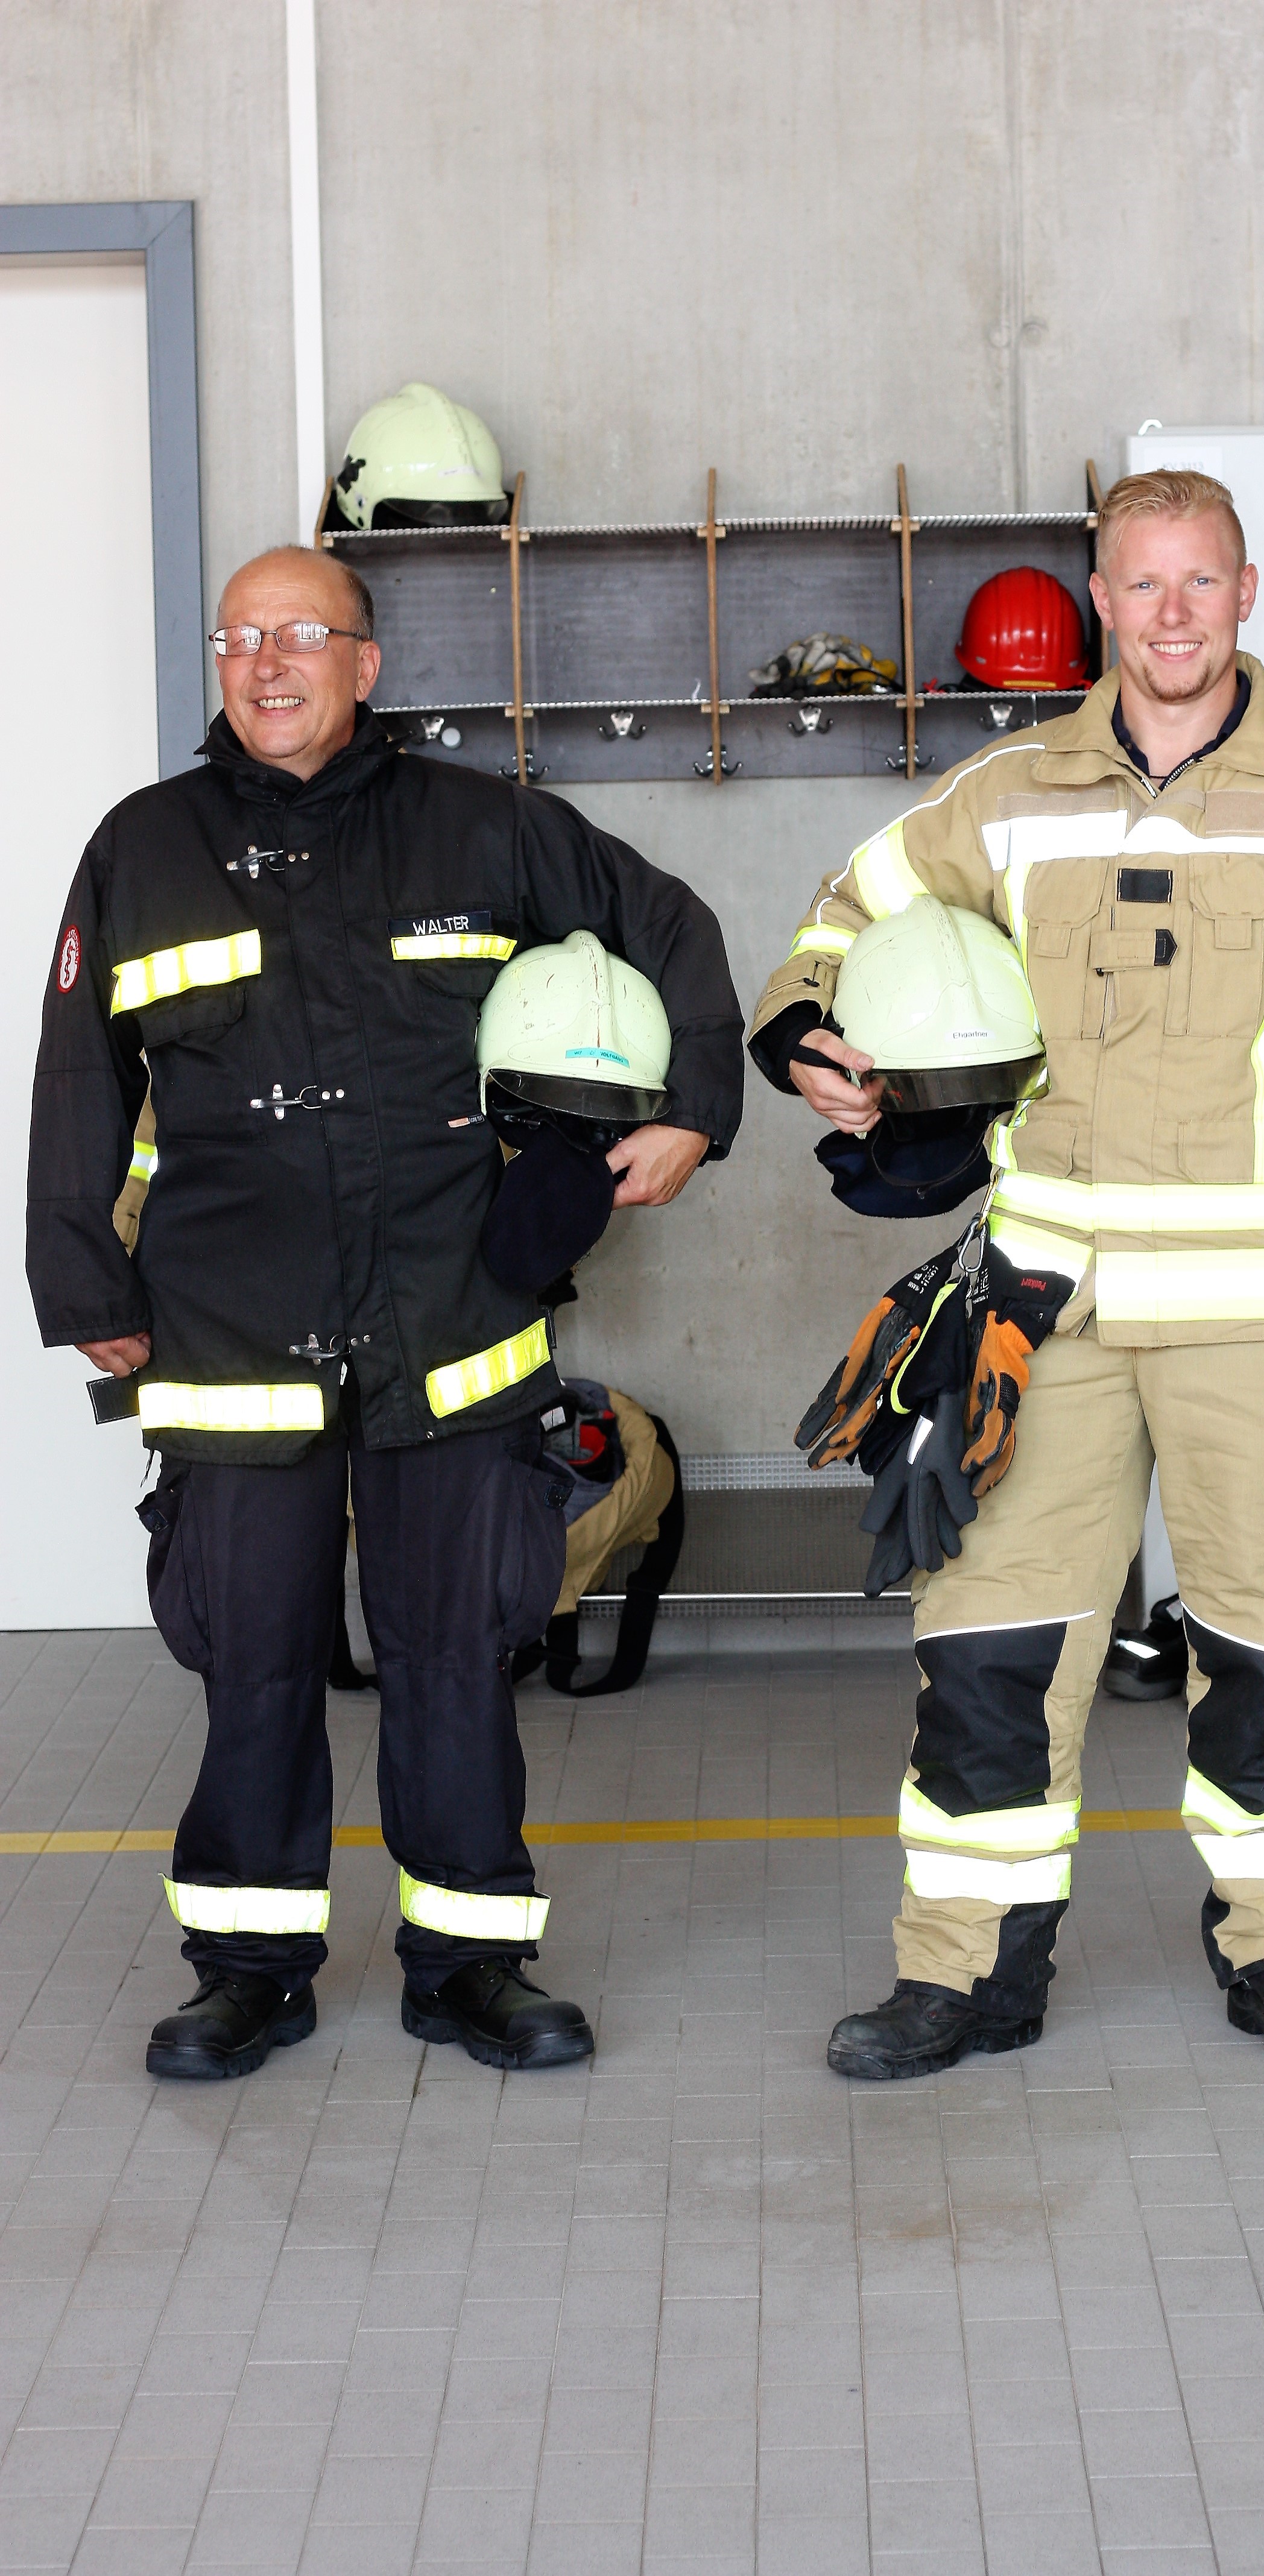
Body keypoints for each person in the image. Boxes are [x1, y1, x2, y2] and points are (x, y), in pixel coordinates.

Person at [750, 469, 1264, 2077]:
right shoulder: (1005, 796)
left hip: (1263, 1316)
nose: (1170, 617)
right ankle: (966, 1976)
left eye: (1199, 586)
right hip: (1045, 1316)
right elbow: (841, 922)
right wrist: (812, 1034)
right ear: (1105, 601)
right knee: (991, 1653)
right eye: (1141, 587)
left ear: (1247, 592)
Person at [27, 546, 744, 2079]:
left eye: (304, 635)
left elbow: (668, 926)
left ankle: (470, 1966)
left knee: (452, 1653)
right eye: (241, 636)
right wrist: (80, 1273)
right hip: (229, 1328)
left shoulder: (486, 827)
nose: (266, 661)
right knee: (255, 1663)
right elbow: (81, 1070)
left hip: (449, 1314)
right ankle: (248, 1970)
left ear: (367, 664)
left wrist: (693, 1107)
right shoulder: (140, 848)